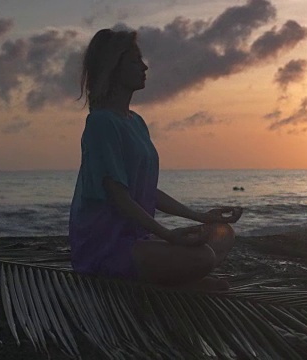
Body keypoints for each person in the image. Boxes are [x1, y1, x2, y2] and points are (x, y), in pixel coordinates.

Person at [69, 29, 242, 290]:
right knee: (204, 256)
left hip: (140, 238)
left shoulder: (136, 121)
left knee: (222, 233)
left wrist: (200, 216)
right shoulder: (100, 123)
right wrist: (167, 234)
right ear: (113, 68)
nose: (145, 67)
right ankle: (179, 281)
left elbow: (149, 192)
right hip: (107, 248)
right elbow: (119, 196)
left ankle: (178, 276)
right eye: (135, 61)